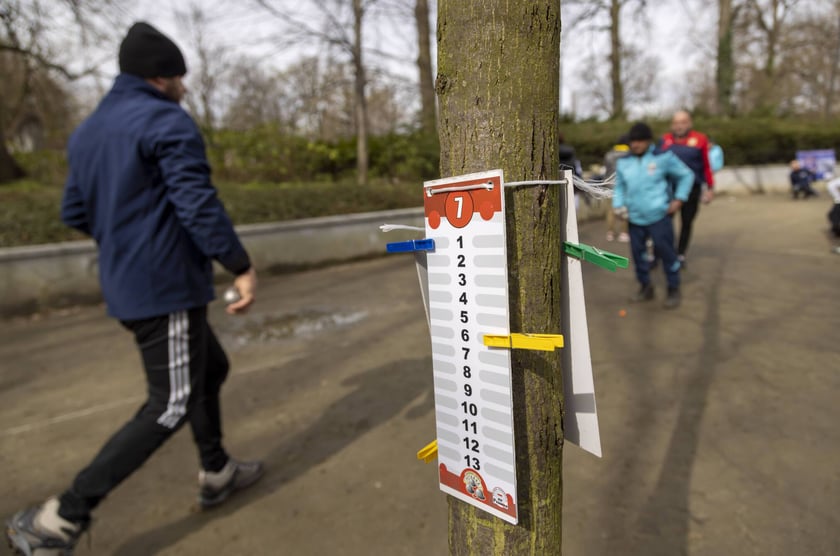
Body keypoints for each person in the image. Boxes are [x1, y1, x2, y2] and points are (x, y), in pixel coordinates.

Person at [6, 22, 263, 555]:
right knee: (169, 404)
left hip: (130, 283)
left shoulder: (89, 131)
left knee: (210, 368)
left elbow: (74, 210)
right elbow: (196, 205)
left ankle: (216, 470)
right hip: (164, 288)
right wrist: (239, 265)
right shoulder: (165, 121)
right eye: (179, 77)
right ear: (159, 77)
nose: (185, 87)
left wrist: (127, 241)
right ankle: (59, 520)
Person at [613, 122, 694, 309]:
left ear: (648, 141)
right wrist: (618, 205)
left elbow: (686, 175)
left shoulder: (663, 157)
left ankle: (673, 288)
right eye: (633, 141)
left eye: (640, 141)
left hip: (660, 217)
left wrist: (679, 199)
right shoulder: (624, 162)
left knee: (667, 254)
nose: (635, 145)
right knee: (638, 256)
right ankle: (645, 287)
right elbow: (619, 186)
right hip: (634, 218)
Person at [658, 110, 715, 269]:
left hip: (692, 190)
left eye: (683, 122)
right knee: (662, 221)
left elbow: (706, 166)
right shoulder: (664, 140)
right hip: (668, 189)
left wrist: (710, 188)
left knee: (687, 222)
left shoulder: (700, 139)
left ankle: (680, 254)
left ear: (689, 123)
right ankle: (660, 253)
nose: (679, 126)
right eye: (676, 123)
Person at [603, 134, 631, 242]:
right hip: (624, 185)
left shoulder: (609, 154)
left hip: (609, 184)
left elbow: (606, 170)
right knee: (625, 209)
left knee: (610, 210)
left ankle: (610, 232)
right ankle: (624, 233)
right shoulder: (629, 155)